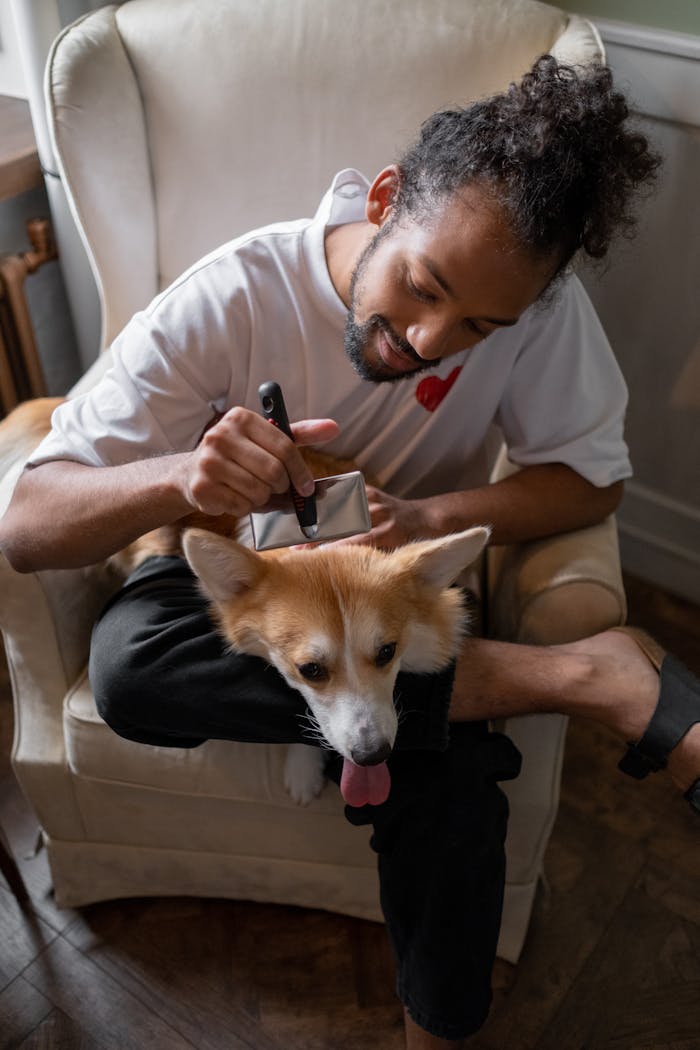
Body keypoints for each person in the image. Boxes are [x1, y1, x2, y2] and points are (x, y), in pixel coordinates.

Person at [0, 56, 697, 1049]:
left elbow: (594, 481)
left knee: (447, 782)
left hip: (388, 598)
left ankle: (439, 1030)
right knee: (130, 668)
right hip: (240, 574)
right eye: (424, 286)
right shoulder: (232, 294)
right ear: (381, 200)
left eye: (478, 327)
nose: (430, 339)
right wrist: (182, 479)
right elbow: (25, 526)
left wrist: (425, 517)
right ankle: (576, 678)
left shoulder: (535, 314)